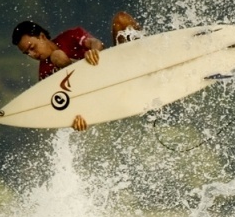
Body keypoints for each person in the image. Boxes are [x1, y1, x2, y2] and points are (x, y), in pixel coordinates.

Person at [12, 12, 142, 131]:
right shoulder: (44, 74)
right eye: (26, 53)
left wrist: (94, 52)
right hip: (96, 94)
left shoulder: (71, 36)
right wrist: (75, 119)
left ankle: (146, 54)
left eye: (32, 48)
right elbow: (61, 106)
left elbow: (96, 43)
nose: (32, 54)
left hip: (112, 71)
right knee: (57, 56)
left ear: (41, 36)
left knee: (121, 19)